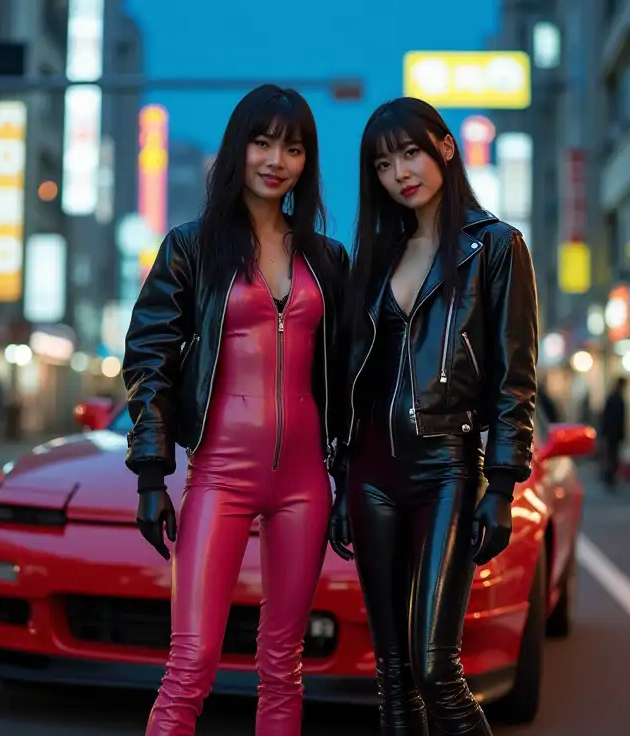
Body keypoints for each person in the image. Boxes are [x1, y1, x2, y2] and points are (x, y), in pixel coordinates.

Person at [121, 84, 349, 736]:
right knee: (191, 662)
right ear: (237, 149)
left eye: (294, 147)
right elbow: (148, 361)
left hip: (306, 485)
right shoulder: (192, 248)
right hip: (219, 475)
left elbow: (352, 377)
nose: (277, 159)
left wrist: (352, 477)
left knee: (283, 664)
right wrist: (149, 474)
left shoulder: (327, 259)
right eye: (264, 141)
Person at [327, 97, 539, 735]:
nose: (400, 172)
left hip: (446, 466)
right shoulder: (371, 259)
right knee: (390, 677)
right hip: (368, 473)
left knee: (433, 667)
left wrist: (500, 486)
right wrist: (341, 480)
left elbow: (514, 378)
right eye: (384, 163)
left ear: (446, 147)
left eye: (411, 152)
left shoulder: (495, 247)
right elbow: (352, 383)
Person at [600, 376, 628, 489]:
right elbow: (608, 417)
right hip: (612, 433)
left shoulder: (616, 398)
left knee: (613, 455)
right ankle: (608, 476)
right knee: (612, 456)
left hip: (613, 433)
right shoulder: (615, 399)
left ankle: (609, 476)